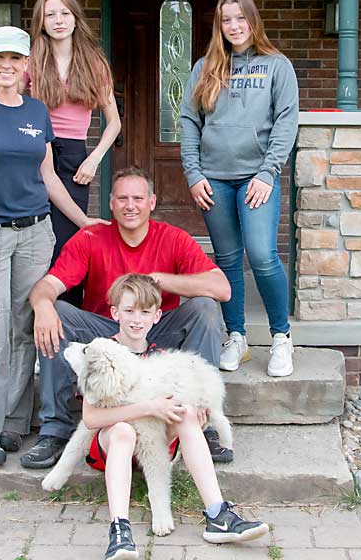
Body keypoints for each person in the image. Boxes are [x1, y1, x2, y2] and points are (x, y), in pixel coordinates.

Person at [0, 25, 106, 468]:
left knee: (25, 328)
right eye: (0, 59)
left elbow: (48, 177)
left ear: (26, 65)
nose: (8, 66)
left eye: (16, 59)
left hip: (36, 234)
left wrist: (83, 220)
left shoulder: (36, 110)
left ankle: (14, 423)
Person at [20, 166, 235, 469]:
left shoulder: (174, 238)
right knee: (57, 312)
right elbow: (48, 286)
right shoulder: (91, 238)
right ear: (111, 204)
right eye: (122, 199)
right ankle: (55, 430)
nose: (130, 206)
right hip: (109, 337)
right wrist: (42, 307)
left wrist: (161, 280)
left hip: (158, 330)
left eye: (137, 198)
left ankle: (204, 420)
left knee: (205, 307)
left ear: (152, 202)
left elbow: (221, 288)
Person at [87, 274, 269, 560]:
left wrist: (196, 410)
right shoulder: (102, 351)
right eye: (130, 311)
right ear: (114, 313)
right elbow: (91, 418)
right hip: (113, 444)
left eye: (145, 312)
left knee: (186, 416)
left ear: (157, 316)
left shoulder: (161, 356)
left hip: (158, 442)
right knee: (123, 430)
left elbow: (174, 403)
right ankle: (120, 531)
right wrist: (147, 408)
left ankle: (218, 514)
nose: (137, 319)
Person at [0, 0, 121, 307]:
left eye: (64, 13)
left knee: (69, 245)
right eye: (50, 14)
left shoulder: (94, 62)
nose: (58, 20)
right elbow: (6, 94)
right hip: (35, 149)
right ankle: (37, 327)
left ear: (76, 19)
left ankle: (68, 323)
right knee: (38, 248)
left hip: (76, 158)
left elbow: (114, 122)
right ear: (41, 22)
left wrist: (94, 158)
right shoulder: (32, 60)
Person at [180, 0, 300, 378]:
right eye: (226, 20)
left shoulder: (276, 65)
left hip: (256, 177)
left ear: (253, 20)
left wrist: (268, 172)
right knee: (228, 258)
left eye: (240, 18)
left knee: (262, 255)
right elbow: (188, 122)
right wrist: (193, 173)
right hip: (214, 178)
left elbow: (286, 121)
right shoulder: (205, 67)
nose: (233, 26)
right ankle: (237, 337)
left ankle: (281, 338)